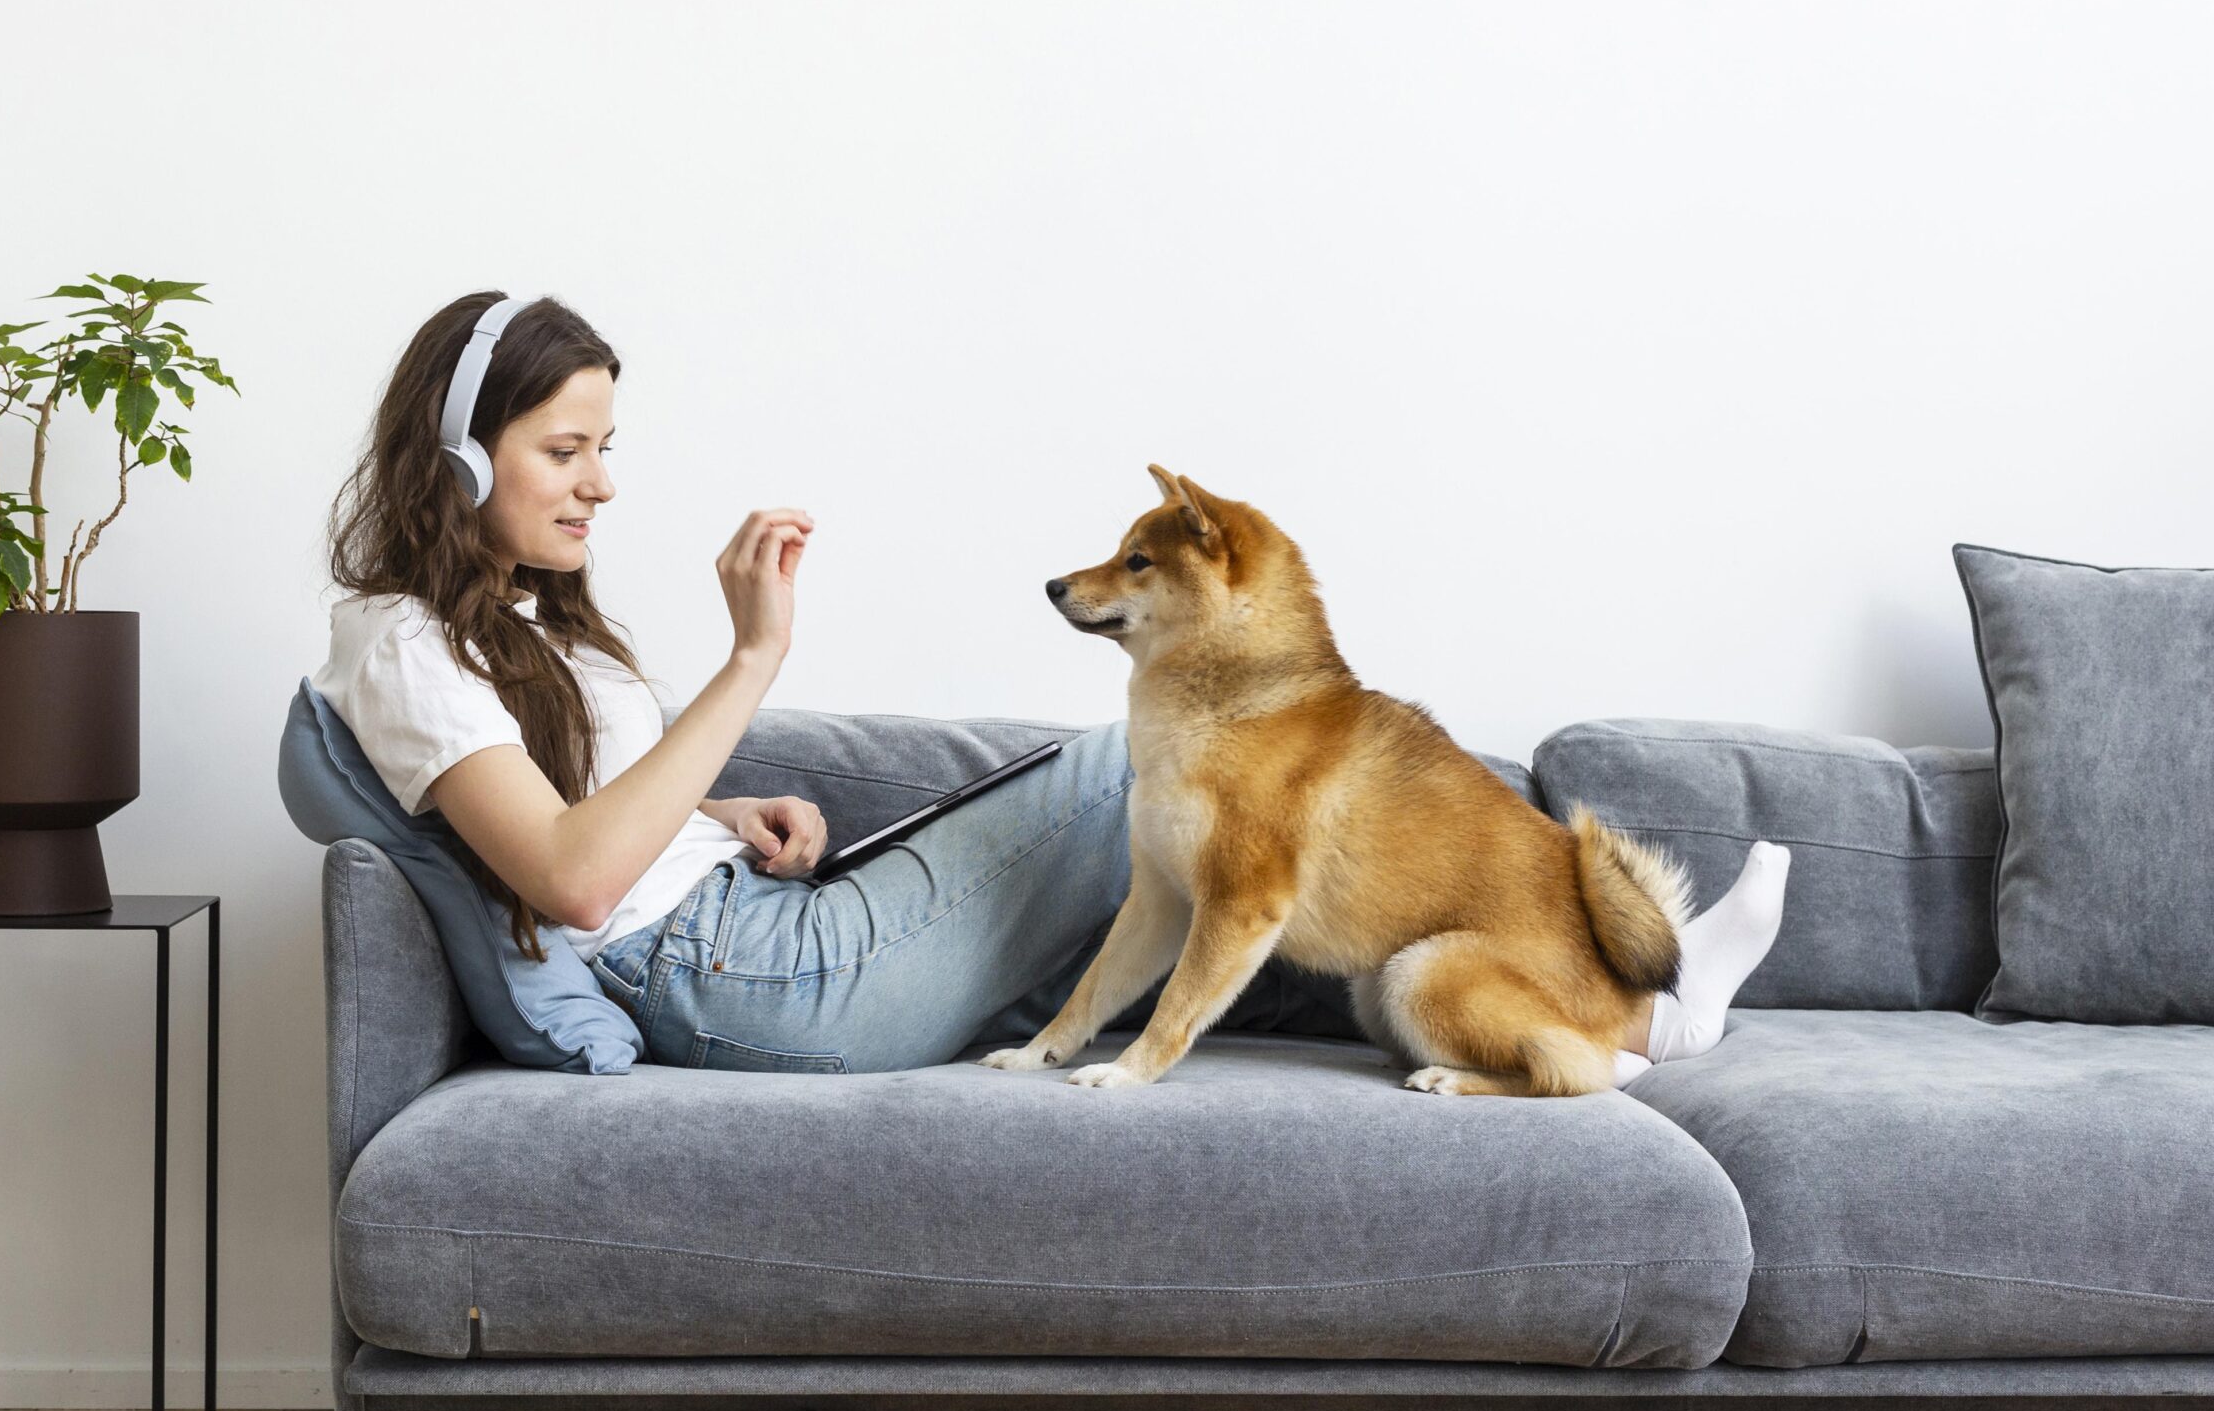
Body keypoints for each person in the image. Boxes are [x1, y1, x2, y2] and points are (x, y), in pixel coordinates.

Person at [314, 289, 1785, 1081]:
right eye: (567, 452)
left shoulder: (523, 622)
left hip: (746, 920)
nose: (603, 484)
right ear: (459, 457)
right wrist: (755, 657)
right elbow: (573, 884)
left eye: (606, 446)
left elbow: (598, 825)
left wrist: (727, 808)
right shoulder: (398, 645)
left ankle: (1590, 1008)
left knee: (1228, 850)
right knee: (1155, 789)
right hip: (736, 983)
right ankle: (1650, 1017)